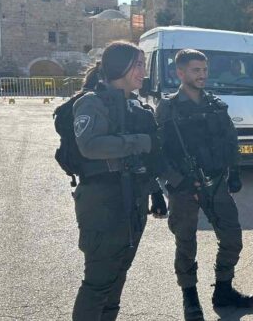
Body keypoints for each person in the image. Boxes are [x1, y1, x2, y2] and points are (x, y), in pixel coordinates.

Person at [155, 49, 253, 321]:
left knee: (232, 237)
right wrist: (176, 180)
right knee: (186, 243)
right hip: (183, 188)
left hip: (216, 182)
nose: (202, 75)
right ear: (180, 73)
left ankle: (223, 290)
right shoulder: (168, 108)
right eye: (195, 70)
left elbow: (231, 140)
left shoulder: (215, 105)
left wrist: (234, 172)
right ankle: (190, 298)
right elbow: (157, 152)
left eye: (204, 70)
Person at [72, 41, 167, 321]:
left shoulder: (135, 106)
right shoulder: (91, 102)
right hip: (103, 203)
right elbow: (89, 146)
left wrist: (156, 192)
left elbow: (143, 162)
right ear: (120, 67)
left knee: (118, 277)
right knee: (98, 282)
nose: (143, 71)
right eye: (138, 64)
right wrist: (138, 141)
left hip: (133, 201)